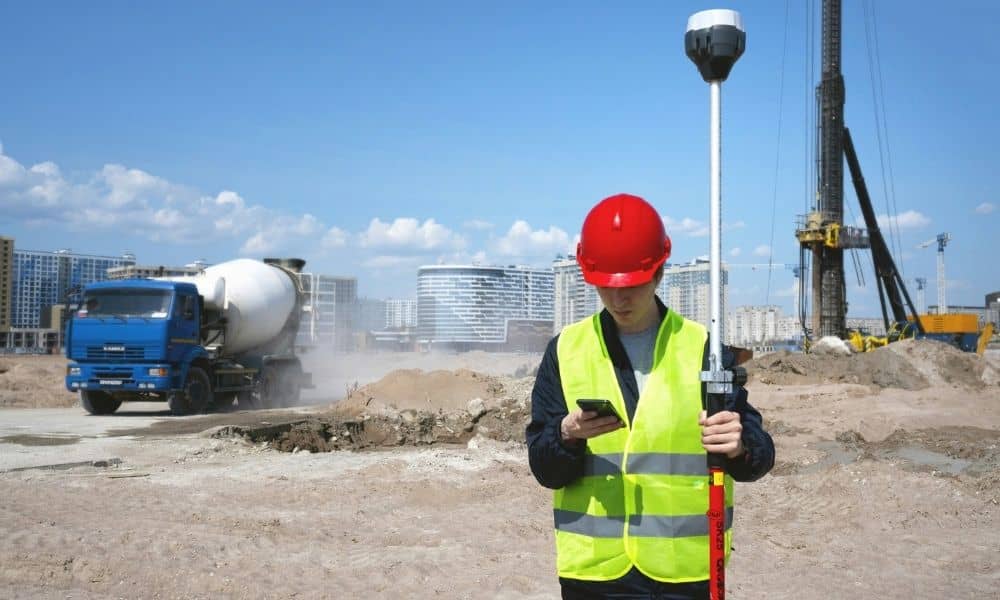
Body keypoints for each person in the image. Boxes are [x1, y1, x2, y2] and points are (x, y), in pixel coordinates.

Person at [526, 193, 774, 599]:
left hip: (684, 573)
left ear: (659, 272)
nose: (619, 299)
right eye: (607, 286)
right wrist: (566, 434)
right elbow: (544, 468)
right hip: (595, 577)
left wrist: (740, 445)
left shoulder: (704, 349)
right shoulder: (566, 350)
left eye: (631, 285)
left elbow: (757, 457)